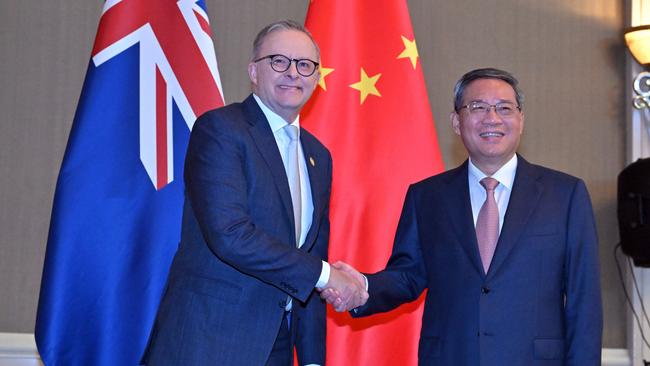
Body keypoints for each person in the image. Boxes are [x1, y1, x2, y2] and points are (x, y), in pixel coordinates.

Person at [324, 68, 603, 365]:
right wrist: (364, 287)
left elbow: (583, 302)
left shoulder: (565, 195)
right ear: (457, 122)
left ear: (521, 120)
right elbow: (407, 276)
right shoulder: (427, 197)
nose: (492, 118)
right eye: (478, 107)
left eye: (504, 108)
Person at [141, 20, 366, 366]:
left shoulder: (318, 156)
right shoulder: (221, 130)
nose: (293, 73)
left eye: (305, 65)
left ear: (317, 78)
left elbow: (309, 255)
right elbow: (230, 235)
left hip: (276, 345)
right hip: (209, 342)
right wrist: (327, 275)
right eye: (279, 61)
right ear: (253, 71)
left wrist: (311, 360)